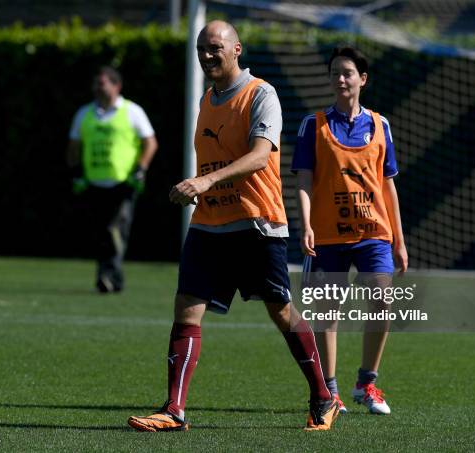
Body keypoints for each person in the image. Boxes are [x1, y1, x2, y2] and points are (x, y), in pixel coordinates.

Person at [127, 20, 338, 432]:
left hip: (257, 223)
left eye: (215, 48)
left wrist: (204, 181)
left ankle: (323, 396)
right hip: (209, 223)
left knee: (281, 311)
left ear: (236, 49)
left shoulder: (262, 94)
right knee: (186, 306)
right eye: (201, 49)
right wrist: (196, 190)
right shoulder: (207, 99)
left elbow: (261, 156)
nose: (207, 55)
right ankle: (174, 410)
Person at [292, 46, 408, 415]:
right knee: (327, 312)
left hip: (374, 231)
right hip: (327, 234)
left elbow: (388, 185)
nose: (340, 79)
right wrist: (306, 224)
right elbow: (304, 182)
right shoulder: (314, 125)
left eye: (346, 72)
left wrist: (399, 241)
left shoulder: (380, 124)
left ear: (362, 78)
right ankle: (331, 391)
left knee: (383, 302)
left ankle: (367, 383)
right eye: (334, 73)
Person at [66, 66, 158, 293]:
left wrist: (140, 168)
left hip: (123, 183)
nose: (98, 88)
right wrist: (76, 172)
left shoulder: (132, 111)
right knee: (101, 232)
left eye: (103, 83)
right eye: (96, 84)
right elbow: (74, 147)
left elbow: (150, 142)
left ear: (117, 86)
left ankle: (106, 277)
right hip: (94, 183)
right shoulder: (84, 114)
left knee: (115, 229)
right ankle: (112, 279)